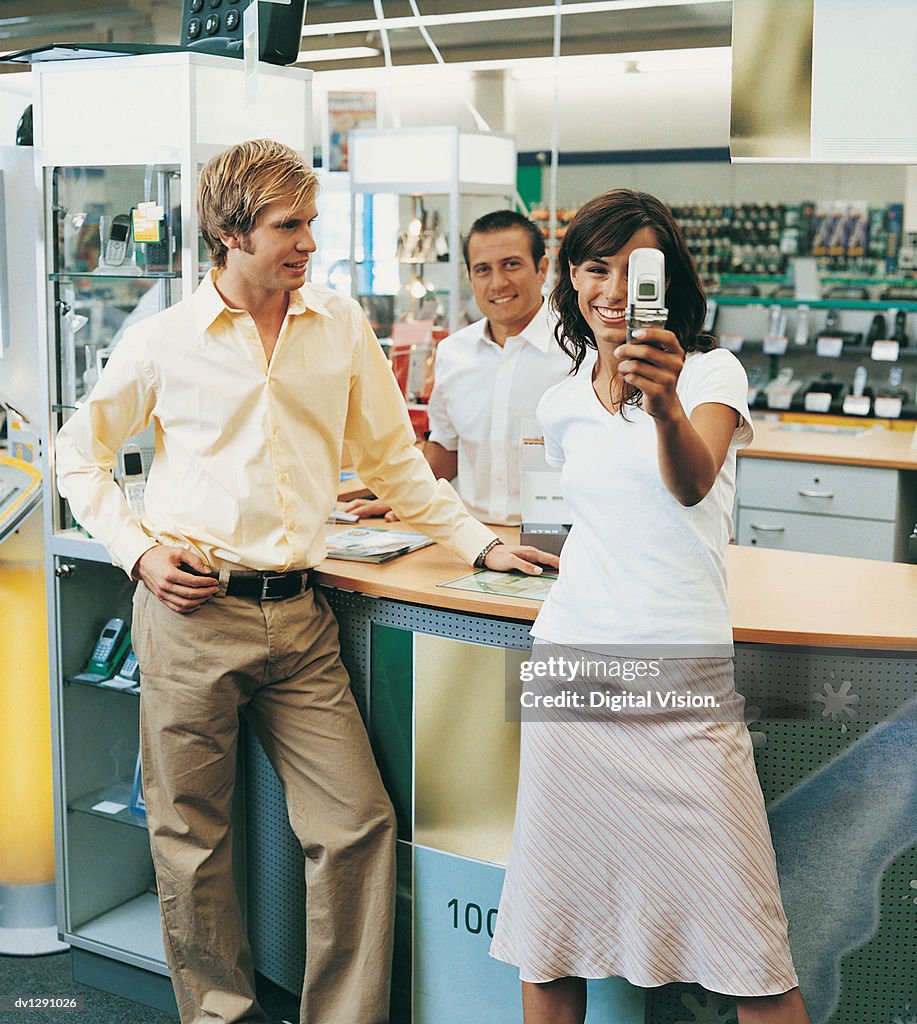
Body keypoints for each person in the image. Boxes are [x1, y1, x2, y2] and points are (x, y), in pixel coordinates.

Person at [55, 139, 557, 1024]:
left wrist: (479, 544)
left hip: (300, 617)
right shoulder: (163, 340)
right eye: (290, 225)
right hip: (191, 614)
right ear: (231, 231)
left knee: (355, 825)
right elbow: (78, 456)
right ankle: (220, 1014)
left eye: (310, 223)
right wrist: (138, 550)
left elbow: (394, 463)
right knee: (191, 841)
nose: (308, 243)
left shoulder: (338, 324)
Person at [488, 189, 811, 1024]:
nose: (610, 289)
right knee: (550, 938)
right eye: (595, 267)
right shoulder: (560, 400)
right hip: (572, 668)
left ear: (665, 282)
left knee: (752, 954)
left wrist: (663, 403)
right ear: (569, 277)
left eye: (633, 270)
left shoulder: (709, 372)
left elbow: (691, 480)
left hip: (681, 679)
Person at [341, 209, 573, 526]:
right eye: (482, 270)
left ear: (542, 268)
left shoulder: (579, 351)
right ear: (470, 277)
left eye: (511, 264)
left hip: (558, 536)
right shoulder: (454, 352)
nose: (498, 283)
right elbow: (445, 447)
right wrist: (402, 497)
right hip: (472, 534)